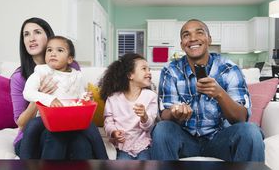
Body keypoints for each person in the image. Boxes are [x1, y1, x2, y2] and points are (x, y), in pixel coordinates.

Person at [151, 19, 265, 161]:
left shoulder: (229, 69)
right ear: (182, 45)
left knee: (251, 132)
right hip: (186, 141)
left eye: (199, 32)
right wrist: (175, 113)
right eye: (186, 35)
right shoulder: (171, 71)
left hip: (220, 140)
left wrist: (220, 94)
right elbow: (164, 116)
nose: (193, 39)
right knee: (162, 129)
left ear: (209, 39)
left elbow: (241, 118)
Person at [10, 17, 108, 159]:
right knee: (53, 133)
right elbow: (22, 123)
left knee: (81, 141)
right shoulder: (27, 75)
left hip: (69, 122)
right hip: (39, 128)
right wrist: (43, 98)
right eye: (26, 34)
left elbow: (79, 94)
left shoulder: (72, 69)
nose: (31, 38)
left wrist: (84, 99)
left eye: (37, 32)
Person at [99, 53, 158, 160]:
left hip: (143, 145)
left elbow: (150, 126)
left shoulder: (151, 96)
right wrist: (113, 132)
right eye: (144, 69)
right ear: (130, 75)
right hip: (122, 146)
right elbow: (108, 122)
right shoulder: (113, 98)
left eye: (149, 69)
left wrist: (144, 117)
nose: (149, 72)